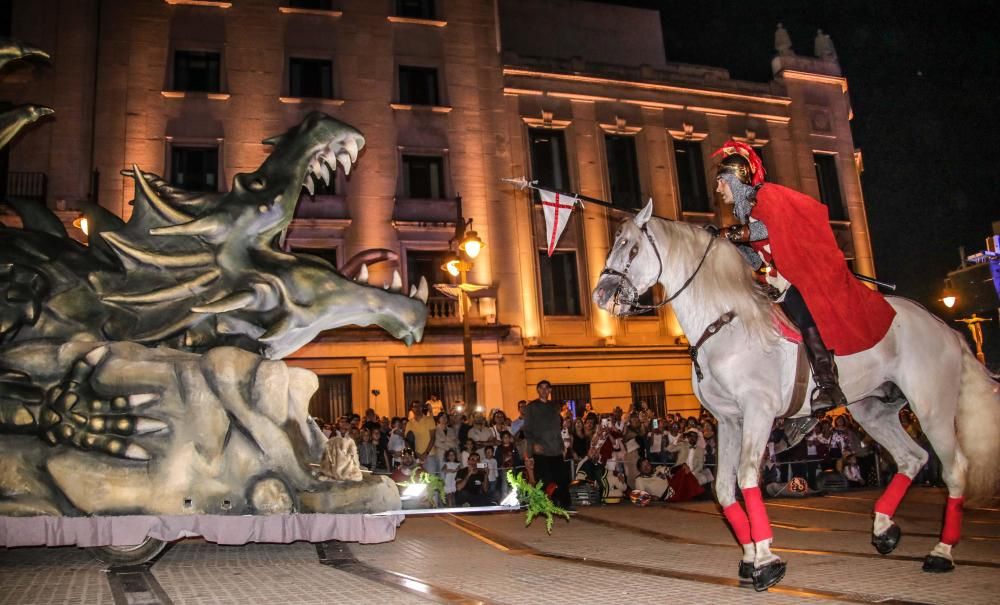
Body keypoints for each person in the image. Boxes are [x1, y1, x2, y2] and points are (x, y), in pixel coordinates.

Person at [712, 140, 896, 417]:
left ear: (735, 179)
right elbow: (757, 258)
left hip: (800, 277)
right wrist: (729, 244)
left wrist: (730, 234)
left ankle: (827, 382)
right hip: (777, 282)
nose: (717, 190)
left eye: (721, 182)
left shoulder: (766, 195)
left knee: (801, 306)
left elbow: (769, 229)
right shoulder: (748, 213)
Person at [522, 379, 571, 508]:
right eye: (541, 388)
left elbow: (556, 427)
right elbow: (527, 429)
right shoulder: (532, 407)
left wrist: (562, 446)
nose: (544, 390)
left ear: (550, 390)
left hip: (555, 448)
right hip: (541, 449)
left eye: (546, 388)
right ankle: (545, 505)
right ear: (538, 390)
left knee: (562, 478)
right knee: (544, 479)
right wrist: (533, 445)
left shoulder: (554, 406)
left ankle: (565, 505)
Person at [408, 400, 437, 473]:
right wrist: (416, 453)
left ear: (422, 408)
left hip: (429, 455)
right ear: (412, 409)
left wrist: (426, 453)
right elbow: (407, 441)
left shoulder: (429, 419)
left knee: (431, 480)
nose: (417, 408)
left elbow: (433, 438)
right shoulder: (409, 423)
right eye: (415, 406)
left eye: (419, 406)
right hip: (416, 456)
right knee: (417, 481)